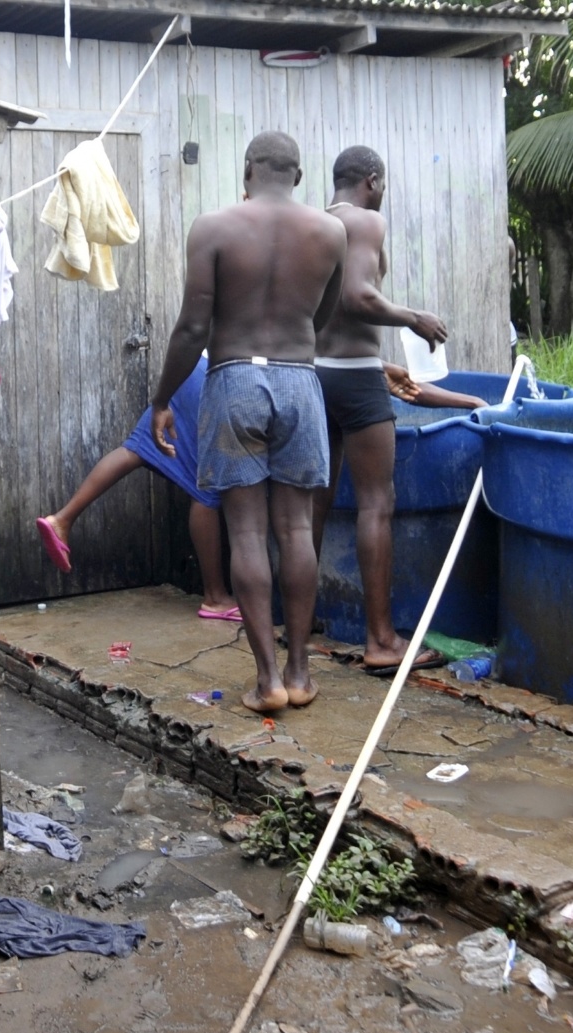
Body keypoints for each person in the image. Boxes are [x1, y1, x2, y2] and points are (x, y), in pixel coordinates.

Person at [149, 132, 347, 714]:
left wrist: (163, 397)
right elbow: (324, 316)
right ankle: (301, 672)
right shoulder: (331, 232)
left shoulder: (213, 226)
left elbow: (191, 327)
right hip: (298, 379)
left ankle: (267, 683)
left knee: (246, 534)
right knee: (295, 530)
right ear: (300, 176)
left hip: (234, 376)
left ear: (247, 171)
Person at [313, 145, 484, 675]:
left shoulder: (315, 224)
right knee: (376, 503)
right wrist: (414, 318)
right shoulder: (365, 221)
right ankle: (382, 641)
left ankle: (302, 627)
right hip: (355, 377)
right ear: (373, 180)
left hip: (314, 372)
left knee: (313, 504)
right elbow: (359, 297)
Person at [35, 357, 239, 622]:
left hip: (191, 370)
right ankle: (216, 596)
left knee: (135, 449)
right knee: (206, 486)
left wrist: (162, 398)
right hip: (218, 376)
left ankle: (62, 518)